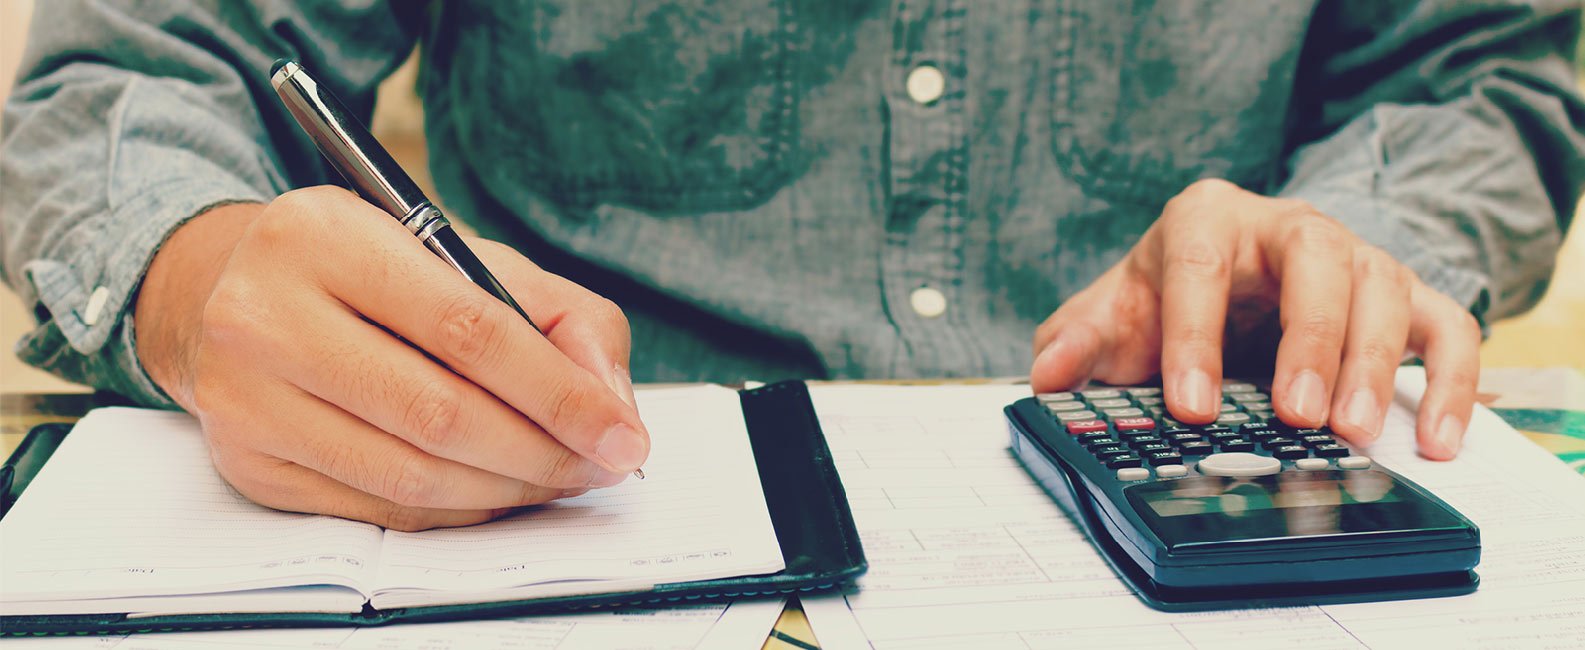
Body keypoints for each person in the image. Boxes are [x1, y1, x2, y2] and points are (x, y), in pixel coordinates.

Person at [3, 1, 1581, 531]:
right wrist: (197, 278)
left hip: (1204, 474)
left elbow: (1475, 69)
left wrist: (1358, 235)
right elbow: (143, 68)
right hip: (555, 510)